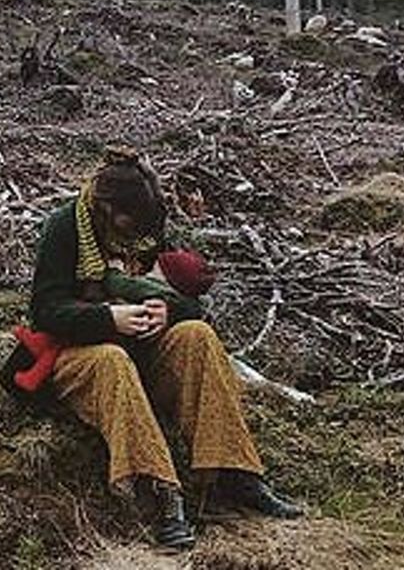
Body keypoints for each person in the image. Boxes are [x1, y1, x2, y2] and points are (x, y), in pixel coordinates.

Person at [26, 146, 302, 553]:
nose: (133, 236)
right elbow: (45, 311)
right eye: (126, 224)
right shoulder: (64, 227)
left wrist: (163, 310)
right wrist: (108, 318)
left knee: (196, 336)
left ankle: (232, 472)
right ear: (104, 208)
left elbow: (191, 304)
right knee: (111, 359)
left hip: (142, 353)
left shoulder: (147, 230)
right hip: (79, 357)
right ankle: (160, 497)